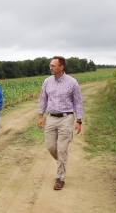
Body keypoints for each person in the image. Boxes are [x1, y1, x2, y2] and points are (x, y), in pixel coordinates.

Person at [37, 56, 83, 190]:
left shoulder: (72, 82)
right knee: (50, 146)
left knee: (62, 149)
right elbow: (43, 100)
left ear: (61, 67)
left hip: (66, 118)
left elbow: (78, 102)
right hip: (51, 118)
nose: (50, 67)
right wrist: (40, 116)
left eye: (53, 65)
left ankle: (60, 177)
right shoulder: (47, 82)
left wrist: (79, 120)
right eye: (50, 65)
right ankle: (62, 163)